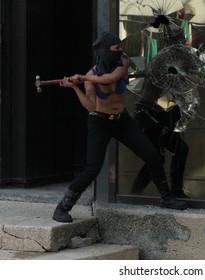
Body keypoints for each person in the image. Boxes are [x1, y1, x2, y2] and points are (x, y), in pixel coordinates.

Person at [53, 31, 188, 223]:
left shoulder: (121, 64)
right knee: (92, 168)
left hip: (122, 121)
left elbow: (111, 79)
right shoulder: (90, 76)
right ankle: (62, 208)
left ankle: (167, 198)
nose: (120, 51)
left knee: (152, 154)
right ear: (104, 51)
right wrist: (75, 87)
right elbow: (91, 106)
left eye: (120, 47)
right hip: (99, 122)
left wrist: (84, 79)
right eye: (116, 48)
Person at [131, 76, 190, 198]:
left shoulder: (174, 79)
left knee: (181, 149)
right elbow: (148, 99)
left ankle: (176, 190)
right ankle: (136, 192)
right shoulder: (158, 75)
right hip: (149, 118)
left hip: (162, 119)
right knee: (156, 157)